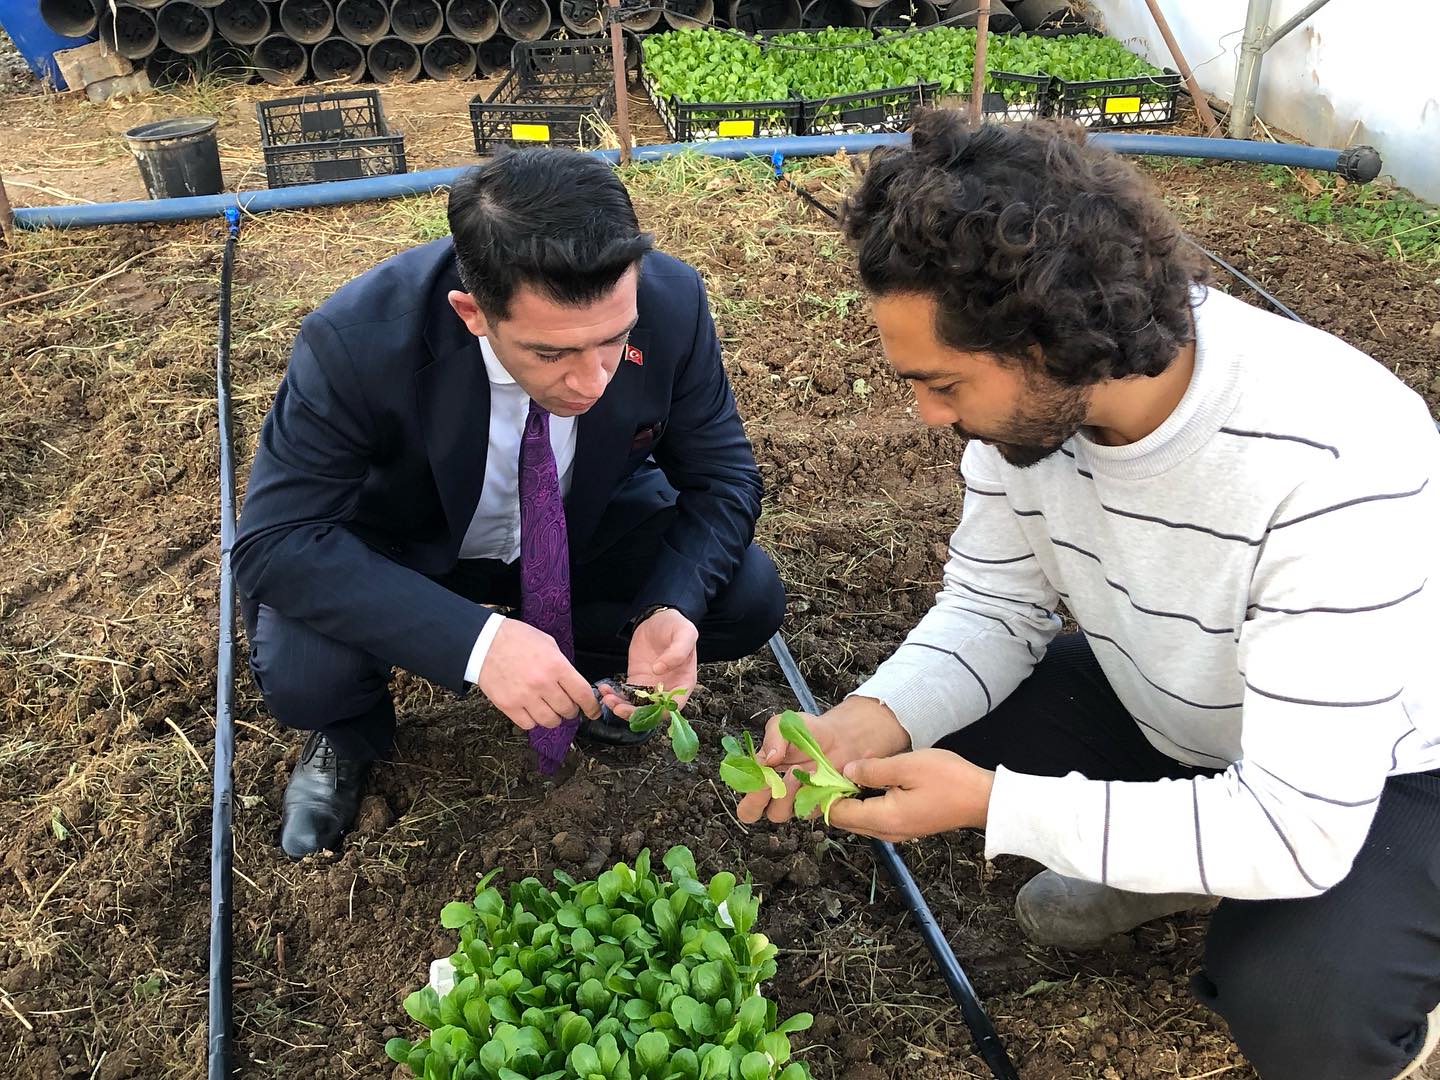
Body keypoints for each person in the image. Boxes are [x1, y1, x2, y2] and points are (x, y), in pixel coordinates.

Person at [737, 112, 1440, 1080]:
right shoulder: (1024, 428)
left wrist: (997, 806)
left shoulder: (1333, 453)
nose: (925, 414)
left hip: (1381, 772)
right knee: (934, 734)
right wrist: (872, 718)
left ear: (1052, 339)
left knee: (1304, 1006)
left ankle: (1387, 977)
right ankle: (1179, 850)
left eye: (941, 383)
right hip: (1184, 706)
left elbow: (1299, 824)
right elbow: (993, 608)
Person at [236, 147, 784, 860]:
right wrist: (477, 643)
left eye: (614, 341)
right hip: (413, 550)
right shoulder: (357, 340)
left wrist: (669, 608)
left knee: (744, 594)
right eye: (551, 354)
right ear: (473, 313)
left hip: (579, 530)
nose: (592, 381)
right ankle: (348, 737)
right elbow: (276, 541)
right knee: (310, 673)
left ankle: (583, 675)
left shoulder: (673, 303)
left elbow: (725, 476)